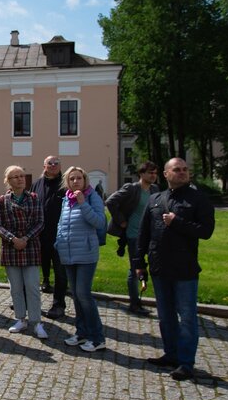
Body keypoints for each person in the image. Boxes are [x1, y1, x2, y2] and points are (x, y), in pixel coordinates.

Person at [131, 158, 215, 381]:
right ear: (165, 174)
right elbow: (144, 233)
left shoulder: (198, 199)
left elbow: (206, 231)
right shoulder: (155, 199)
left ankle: (186, 363)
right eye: (177, 170)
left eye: (185, 170)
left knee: (186, 317)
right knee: (165, 316)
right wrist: (139, 262)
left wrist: (178, 222)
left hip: (184, 269)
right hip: (160, 267)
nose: (182, 173)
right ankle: (171, 354)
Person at [55, 166, 108, 352]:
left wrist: (83, 203)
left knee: (84, 295)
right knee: (76, 295)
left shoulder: (92, 197)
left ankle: (97, 337)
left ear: (85, 180)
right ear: (67, 182)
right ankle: (82, 332)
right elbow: (62, 223)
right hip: (68, 253)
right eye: (72, 179)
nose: (75, 181)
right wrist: (58, 242)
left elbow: (100, 222)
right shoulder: (66, 199)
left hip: (85, 253)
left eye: (79, 178)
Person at [0, 166, 46, 339]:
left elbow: (40, 222)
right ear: (8, 181)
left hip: (30, 248)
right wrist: (13, 239)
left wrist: (25, 239)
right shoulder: (2, 201)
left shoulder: (34, 198)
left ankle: (36, 322)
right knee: (15, 287)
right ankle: (21, 319)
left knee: (32, 286)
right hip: (11, 249)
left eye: (22, 176)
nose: (20, 179)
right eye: (15, 177)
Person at [105, 161, 159, 317]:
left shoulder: (155, 190)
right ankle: (135, 303)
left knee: (154, 267)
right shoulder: (132, 189)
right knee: (135, 269)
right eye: (150, 172)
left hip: (150, 235)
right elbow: (110, 201)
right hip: (134, 235)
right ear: (141, 174)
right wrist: (121, 220)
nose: (153, 175)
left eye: (155, 173)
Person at [31, 155, 70, 319]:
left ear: (60, 166)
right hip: (39, 235)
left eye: (56, 163)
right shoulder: (37, 184)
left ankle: (58, 304)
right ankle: (31, 298)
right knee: (36, 267)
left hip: (60, 236)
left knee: (61, 272)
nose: (53, 165)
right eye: (50, 163)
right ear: (44, 166)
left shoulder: (66, 184)